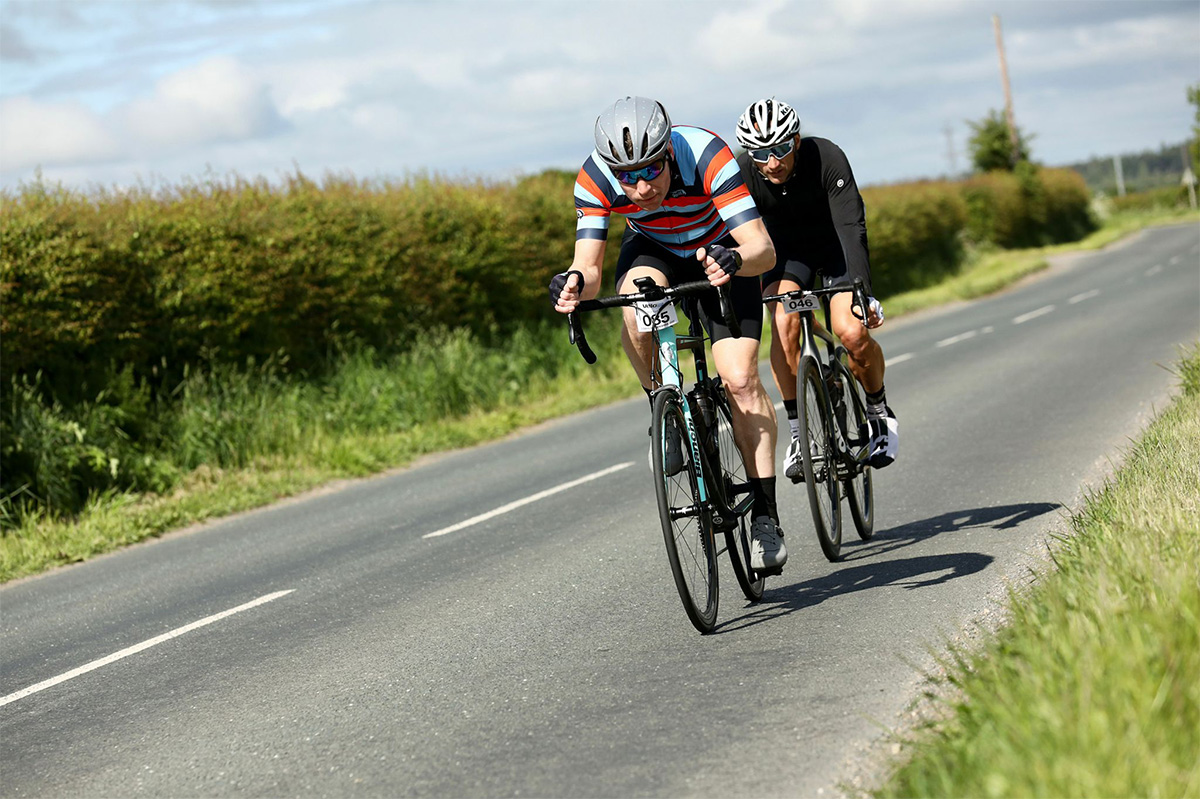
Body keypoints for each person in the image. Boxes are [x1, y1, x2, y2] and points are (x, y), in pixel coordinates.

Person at [550, 96, 788, 573]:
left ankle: (765, 515)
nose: (641, 188)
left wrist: (735, 260)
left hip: (720, 250)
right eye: (627, 177)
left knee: (740, 381)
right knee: (636, 306)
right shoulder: (594, 178)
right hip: (653, 249)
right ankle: (665, 408)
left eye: (651, 171)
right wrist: (572, 282)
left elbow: (763, 249)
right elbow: (589, 268)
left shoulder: (706, 155)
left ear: (668, 153)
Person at [733, 97, 897, 481]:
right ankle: (798, 432)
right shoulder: (743, 173)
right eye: (761, 154)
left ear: (796, 140)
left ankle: (877, 409)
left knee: (851, 332)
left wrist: (864, 292)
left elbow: (852, 228)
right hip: (787, 255)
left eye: (780, 149)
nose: (772, 162)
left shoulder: (827, 157)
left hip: (835, 247)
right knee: (782, 323)